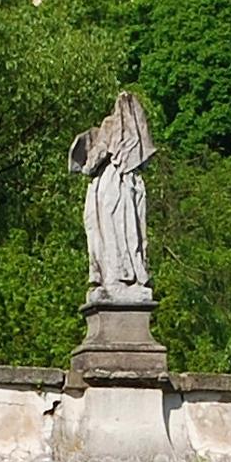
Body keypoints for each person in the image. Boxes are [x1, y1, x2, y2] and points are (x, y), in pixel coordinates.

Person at [69, 91, 157, 305]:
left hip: (110, 187)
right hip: (118, 186)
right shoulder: (134, 168)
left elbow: (95, 158)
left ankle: (117, 277)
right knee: (123, 232)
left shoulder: (108, 126)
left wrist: (86, 164)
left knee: (114, 231)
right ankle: (121, 275)